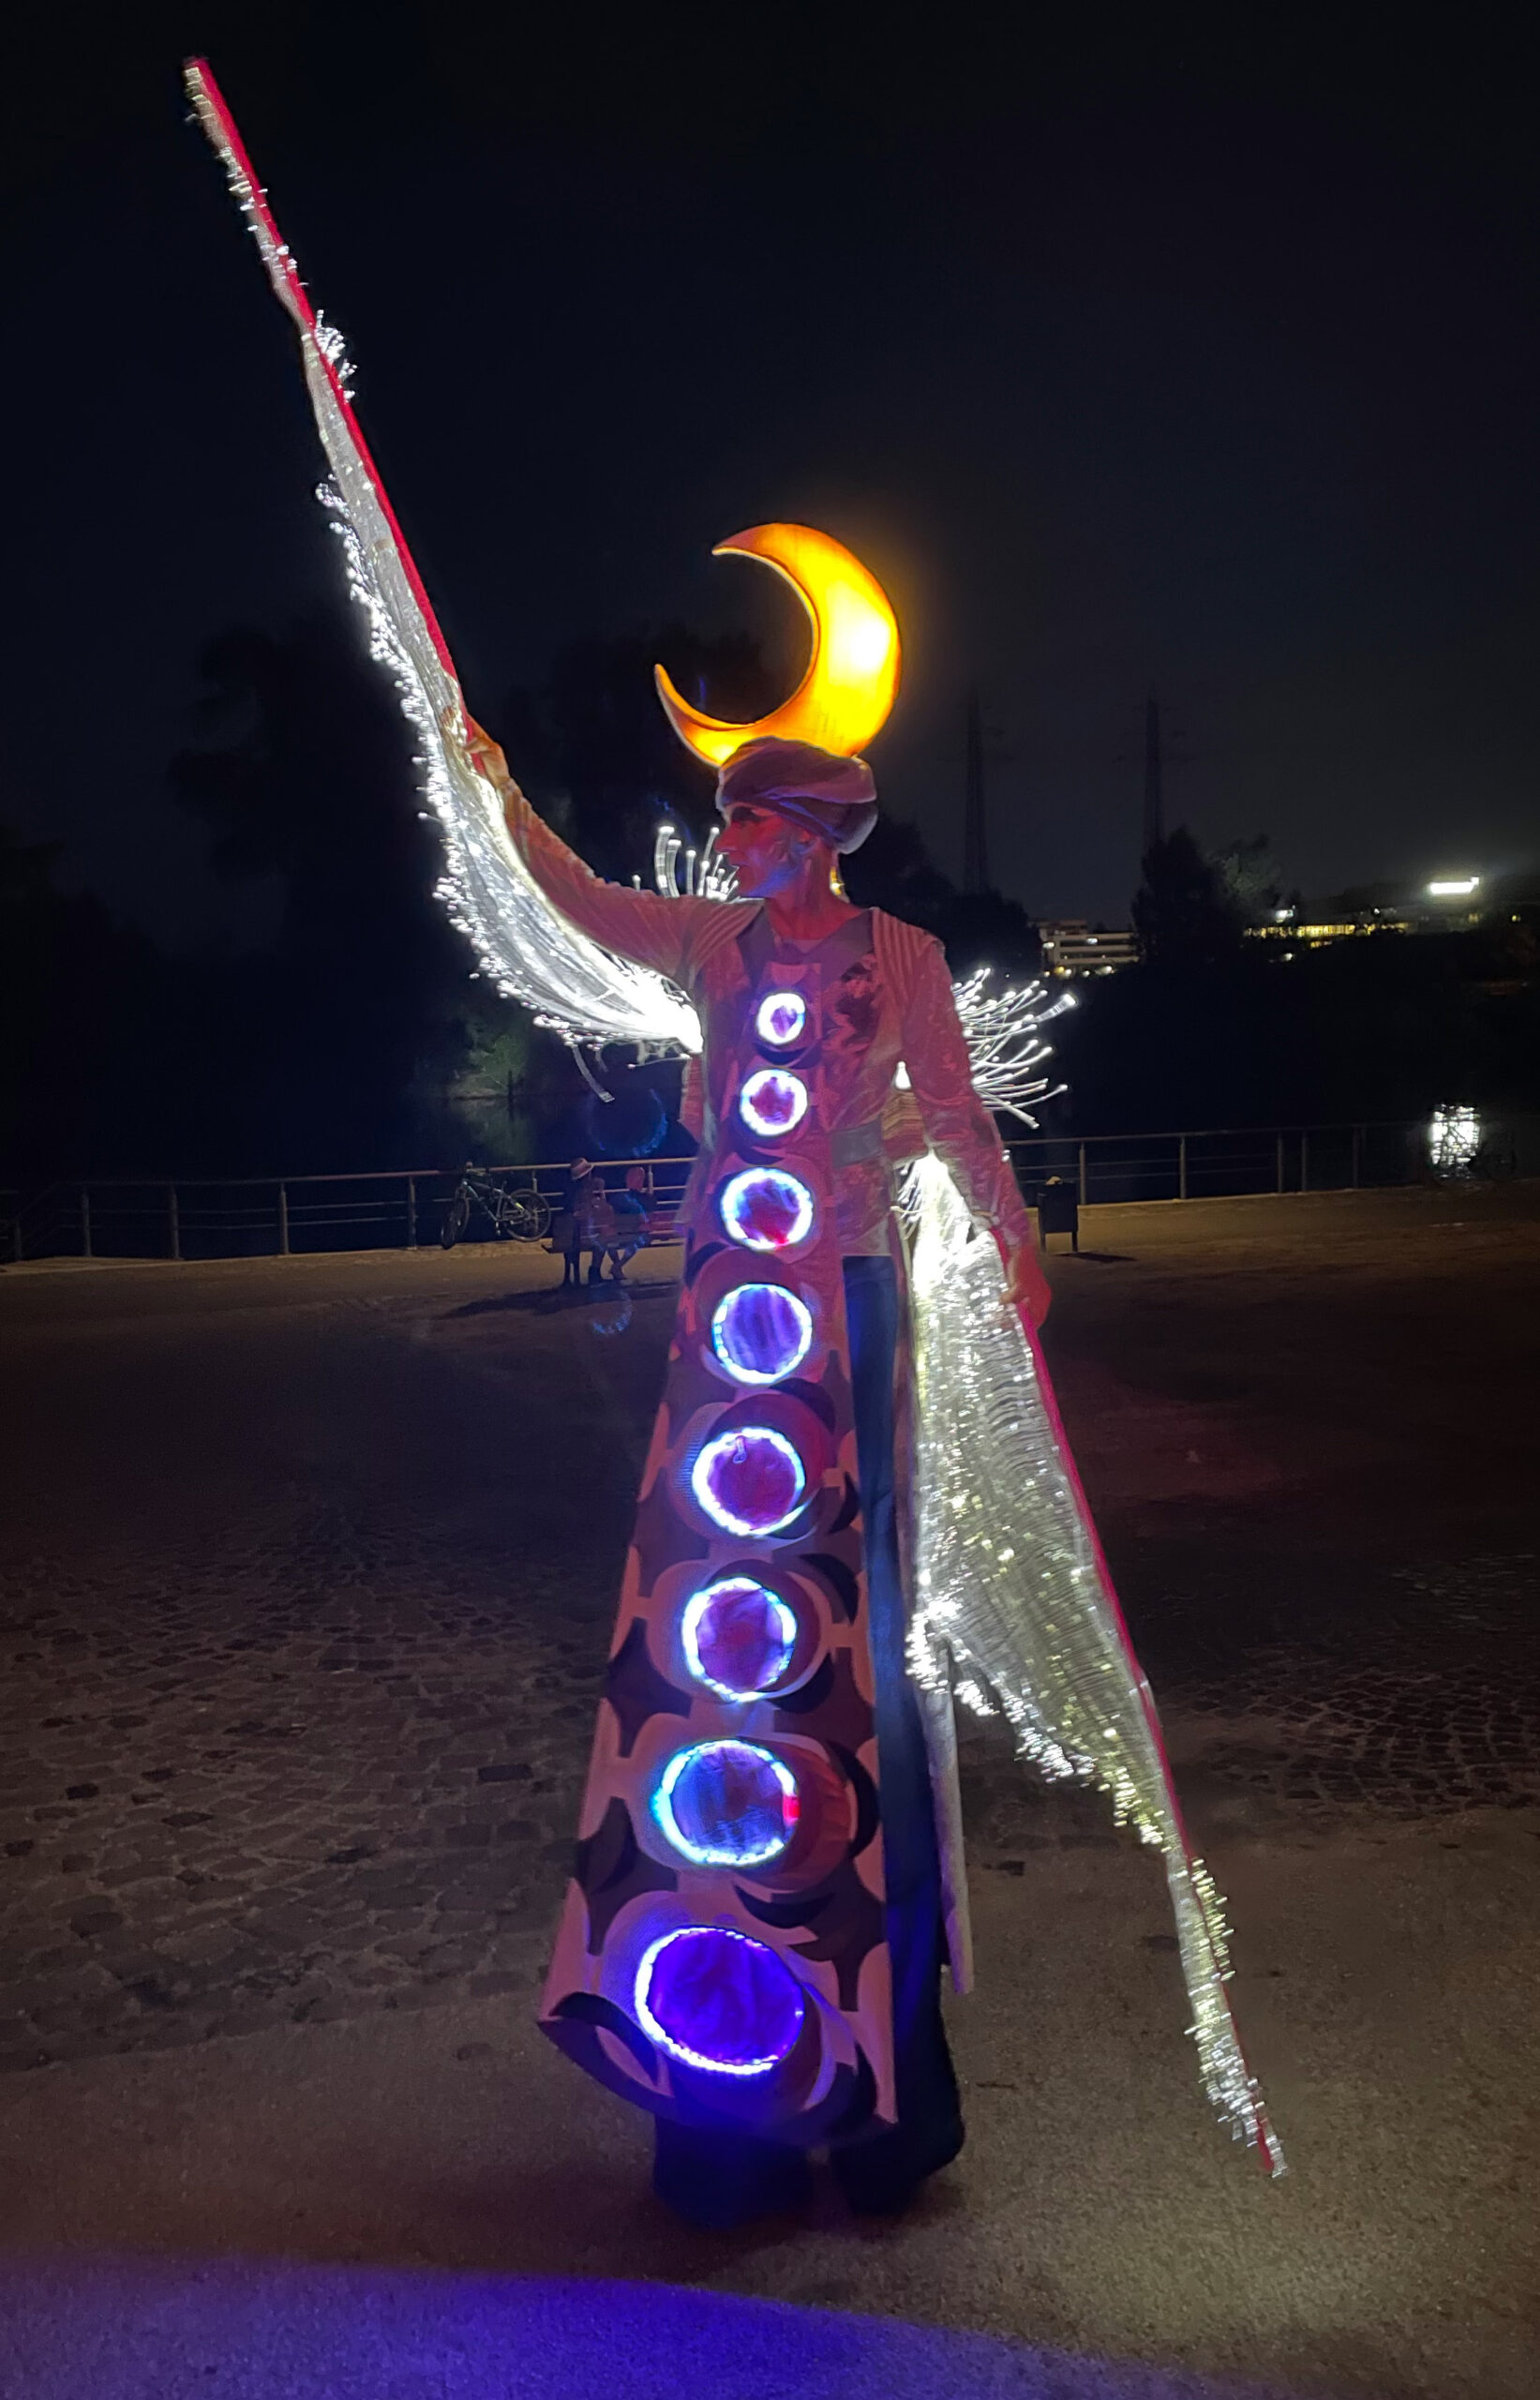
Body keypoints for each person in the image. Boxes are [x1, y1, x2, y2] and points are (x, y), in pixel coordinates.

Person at [465, 720, 1050, 2227]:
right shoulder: (704, 942)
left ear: (808, 832)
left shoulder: (901, 956)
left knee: (845, 1656)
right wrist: (498, 790)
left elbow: (954, 1108)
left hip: (844, 1307)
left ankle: (869, 2098)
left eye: (743, 824)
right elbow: (577, 897)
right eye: (723, 823)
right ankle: (723, 2084)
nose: (723, 845)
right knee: (710, 1642)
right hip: (727, 1307)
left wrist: (1012, 1236)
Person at [606, 1164, 650, 1282]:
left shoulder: (615, 1198)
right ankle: (618, 1266)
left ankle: (617, 1266)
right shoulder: (639, 1201)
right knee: (641, 1239)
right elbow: (644, 1220)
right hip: (632, 1234)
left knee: (610, 1241)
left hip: (620, 1233)